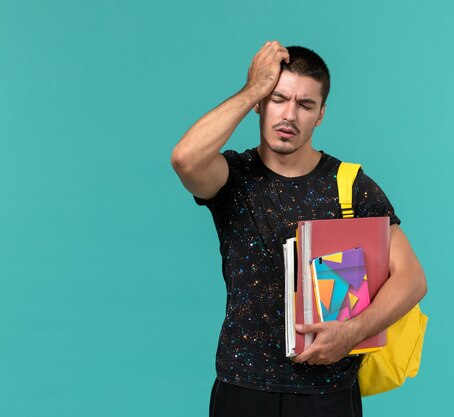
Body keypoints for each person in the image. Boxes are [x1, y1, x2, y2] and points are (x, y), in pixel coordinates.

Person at [171, 41, 427, 417]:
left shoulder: (350, 185)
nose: (289, 115)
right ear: (260, 103)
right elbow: (185, 158)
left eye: (305, 105)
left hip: (329, 392)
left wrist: (352, 332)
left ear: (321, 114)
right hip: (243, 388)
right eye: (277, 99)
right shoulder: (233, 178)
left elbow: (412, 279)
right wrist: (253, 87)